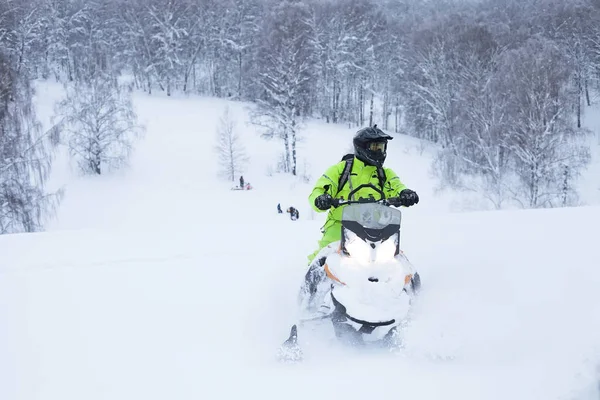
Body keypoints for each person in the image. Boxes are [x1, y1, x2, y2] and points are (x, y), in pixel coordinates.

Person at [306, 125, 419, 265]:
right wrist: (320, 199)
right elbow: (320, 189)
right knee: (324, 258)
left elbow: (396, 186)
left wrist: (405, 194)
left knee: (396, 259)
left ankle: (409, 284)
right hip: (340, 226)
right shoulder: (340, 170)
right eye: (375, 147)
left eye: (381, 148)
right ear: (362, 147)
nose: (379, 151)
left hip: (376, 229)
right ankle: (311, 281)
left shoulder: (384, 174)